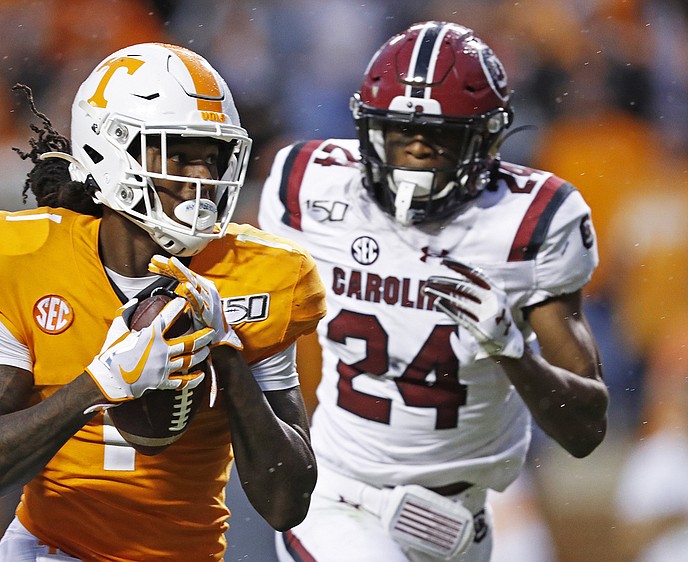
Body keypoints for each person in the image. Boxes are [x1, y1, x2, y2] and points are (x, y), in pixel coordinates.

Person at [0, 42, 326, 561]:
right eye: (177, 152)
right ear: (110, 151)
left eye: (210, 156)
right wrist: (96, 386)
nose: (200, 177)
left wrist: (228, 355)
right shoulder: (22, 256)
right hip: (51, 550)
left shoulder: (258, 275)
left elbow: (287, 503)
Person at [257, 21, 608, 562]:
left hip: (463, 520)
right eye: (401, 132)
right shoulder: (311, 184)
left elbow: (585, 428)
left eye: (441, 137)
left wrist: (510, 350)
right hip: (338, 499)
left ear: (487, 139)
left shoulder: (529, 221)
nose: (417, 152)